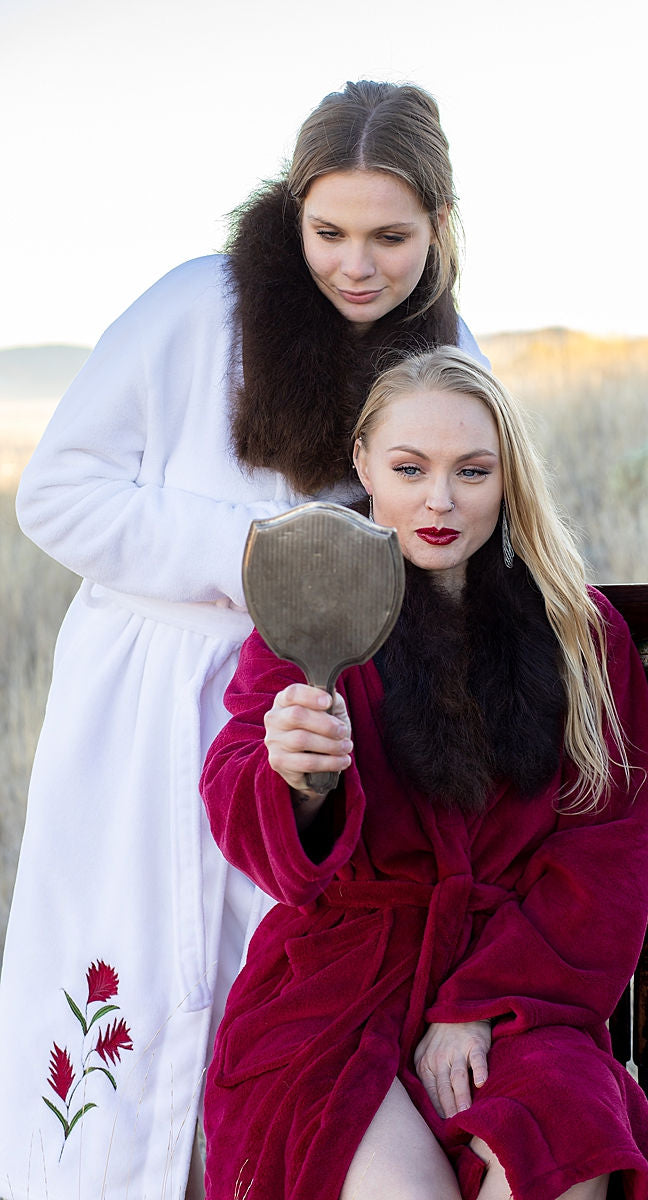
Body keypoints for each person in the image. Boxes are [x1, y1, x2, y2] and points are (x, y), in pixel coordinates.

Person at [0, 82, 488, 1200]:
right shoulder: (193, 309)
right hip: (146, 702)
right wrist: (266, 556)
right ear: (291, 211)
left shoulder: (448, 346)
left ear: (440, 227)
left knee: (266, 998)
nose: (356, 266)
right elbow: (57, 495)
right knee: (127, 997)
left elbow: (465, 526)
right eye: (328, 232)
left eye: (390, 237)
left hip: (324, 718)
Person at [199, 347, 648, 1200]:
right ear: (363, 465)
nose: (440, 500)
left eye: (472, 471)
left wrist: (478, 1003)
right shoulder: (313, 609)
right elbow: (234, 800)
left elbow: (606, 860)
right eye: (410, 468)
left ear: (508, 475)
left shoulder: (582, 635)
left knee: (559, 1161)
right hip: (335, 994)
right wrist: (297, 780)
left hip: (523, 990)